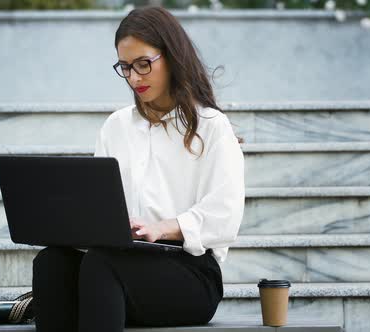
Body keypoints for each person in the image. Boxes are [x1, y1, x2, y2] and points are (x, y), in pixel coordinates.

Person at [31, 5, 245, 332]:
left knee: (102, 267)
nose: (134, 77)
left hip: (191, 273)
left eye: (143, 64)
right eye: (125, 67)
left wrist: (164, 228)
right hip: (121, 260)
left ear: (172, 57)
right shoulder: (115, 127)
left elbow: (226, 215)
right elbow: (100, 207)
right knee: (52, 264)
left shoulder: (213, 127)